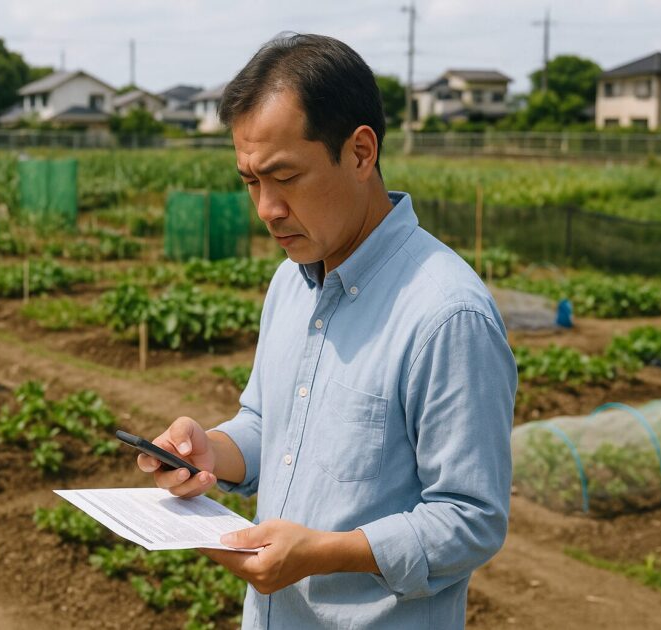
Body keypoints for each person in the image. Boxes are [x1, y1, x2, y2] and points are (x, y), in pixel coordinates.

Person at [135, 33, 517, 629]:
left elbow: (470, 518)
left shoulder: (446, 314)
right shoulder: (291, 282)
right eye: (250, 181)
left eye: (284, 176)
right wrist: (212, 450)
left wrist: (325, 553)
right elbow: (269, 425)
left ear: (361, 152)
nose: (266, 208)